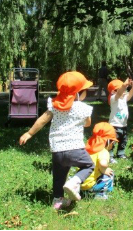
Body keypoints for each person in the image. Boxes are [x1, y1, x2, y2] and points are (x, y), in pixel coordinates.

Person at [19, 71, 95, 210]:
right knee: (89, 166)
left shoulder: (55, 105)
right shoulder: (83, 108)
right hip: (75, 148)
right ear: (78, 93)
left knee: (59, 176)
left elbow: (42, 120)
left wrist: (29, 133)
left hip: (57, 150)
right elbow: (88, 123)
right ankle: (74, 182)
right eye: (85, 91)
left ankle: (57, 201)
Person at [107, 78, 133, 163]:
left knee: (123, 140)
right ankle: (110, 155)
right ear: (113, 92)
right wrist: (124, 85)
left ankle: (120, 153)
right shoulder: (113, 99)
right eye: (122, 89)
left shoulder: (123, 98)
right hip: (114, 125)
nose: (124, 91)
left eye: (125, 89)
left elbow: (130, 94)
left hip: (123, 125)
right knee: (112, 141)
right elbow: (118, 93)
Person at [81, 122, 118, 200]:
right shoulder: (103, 151)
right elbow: (103, 163)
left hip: (80, 181)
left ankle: (83, 192)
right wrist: (104, 170)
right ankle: (100, 194)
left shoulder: (87, 148)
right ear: (108, 141)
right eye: (113, 143)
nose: (113, 145)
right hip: (92, 185)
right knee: (110, 173)